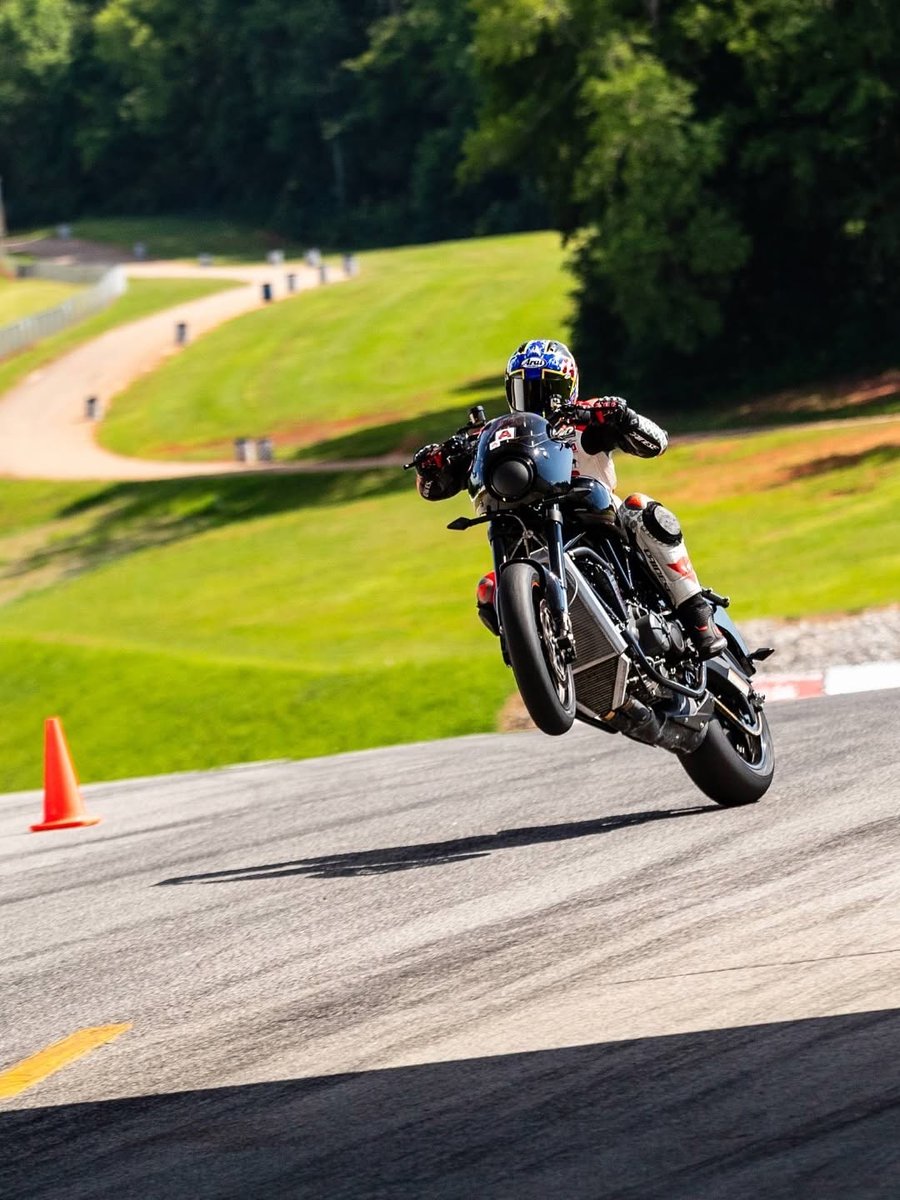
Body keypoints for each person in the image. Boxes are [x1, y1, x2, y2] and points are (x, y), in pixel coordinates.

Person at [414, 338, 726, 659]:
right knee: (489, 589)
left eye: (551, 391)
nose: (538, 402)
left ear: (571, 388)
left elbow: (657, 442)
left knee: (642, 510)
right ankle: (537, 657)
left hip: (599, 513)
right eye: (526, 391)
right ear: (511, 392)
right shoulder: (498, 438)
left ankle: (697, 616)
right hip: (525, 528)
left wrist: (623, 417)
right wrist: (435, 464)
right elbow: (430, 490)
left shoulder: (586, 418)